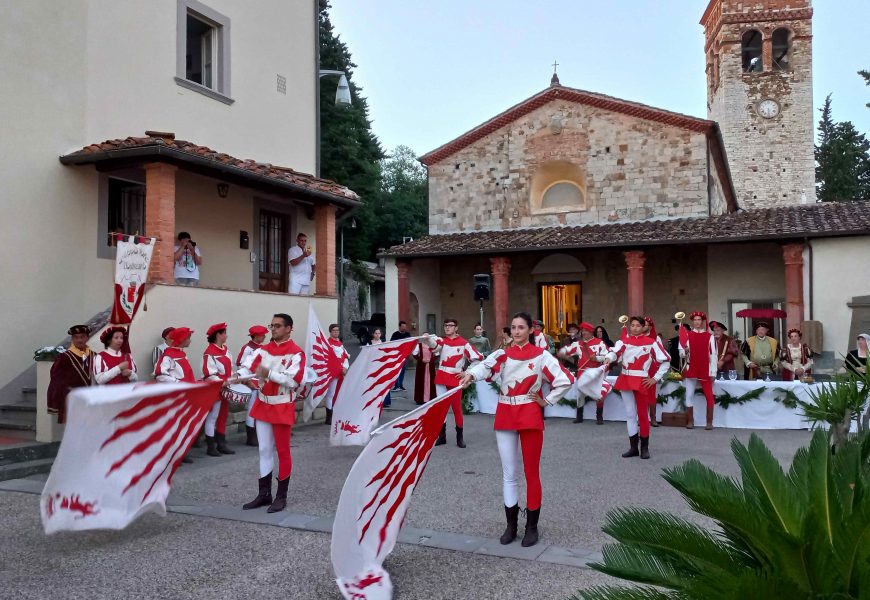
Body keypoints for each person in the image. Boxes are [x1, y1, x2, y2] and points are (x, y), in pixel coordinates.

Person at [459, 312, 573, 548]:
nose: (517, 331)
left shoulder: (542, 356)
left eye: (522, 327)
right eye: (514, 327)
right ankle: (511, 526)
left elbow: (564, 380)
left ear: (531, 330)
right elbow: (484, 366)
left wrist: (547, 400)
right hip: (506, 415)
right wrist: (470, 374)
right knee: (509, 474)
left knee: (532, 473)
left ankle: (532, 527)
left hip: (530, 415)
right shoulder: (503, 354)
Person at [243, 313, 305, 514]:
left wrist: (268, 373)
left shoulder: (297, 353)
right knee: (264, 450)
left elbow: (292, 381)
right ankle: (264, 494)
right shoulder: (264, 350)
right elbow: (248, 368)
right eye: (272, 325)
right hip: (263, 404)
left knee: (283, 451)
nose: (273, 329)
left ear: (289, 328)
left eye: (278, 326)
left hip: (281, 405)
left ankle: (281, 496)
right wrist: (234, 378)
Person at [604, 316, 670, 460]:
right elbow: (615, 351)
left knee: (643, 415)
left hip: (641, 380)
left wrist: (655, 378)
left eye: (637, 326)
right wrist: (609, 357)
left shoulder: (651, 343)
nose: (634, 328)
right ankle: (633, 447)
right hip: (626, 379)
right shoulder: (624, 341)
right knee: (629, 414)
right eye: (632, 325)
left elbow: (665, 361)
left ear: (643, 327)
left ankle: (644, 448)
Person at [421, 318, 484, 448]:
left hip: (455, 378)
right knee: (441, 408)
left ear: (456, 328)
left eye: (450, 326)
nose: (447, 328)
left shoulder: (464, 343)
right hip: (441, 378)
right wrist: (427, 339)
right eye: (445, 325)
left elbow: (477, 358)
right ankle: (442, 436)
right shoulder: (442, 341)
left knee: (456, 409)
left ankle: (459, 437)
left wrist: (467, 372)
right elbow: (434, 345)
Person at [154, 326, 197, 463]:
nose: (190, 341)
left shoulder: (181, 354)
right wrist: (178, 383)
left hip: (185, 395)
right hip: (175, 396)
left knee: (183, 424)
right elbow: (160, 375)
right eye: (188, 338)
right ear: (181, 340)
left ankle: (181, 453)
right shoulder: (168, 355)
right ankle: (170, 455)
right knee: (173, 424)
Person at [558, 322, 609, 424]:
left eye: (586, 331)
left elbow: (607, 356)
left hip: (595, 372)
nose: (584, 333)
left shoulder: (600, 343)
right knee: (580, 394)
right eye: (583, 331)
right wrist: (562, 352)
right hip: (582, 372)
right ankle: (579, 416)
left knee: (599, 394)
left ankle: (599, 417)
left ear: (591, 332)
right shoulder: (578, 344)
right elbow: (566, 350)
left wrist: (597, 358)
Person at [47, 324, 94, 424]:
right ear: (72, 339)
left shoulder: (94, 355)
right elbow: (55, 376)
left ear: (87, 337)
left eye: (82, 337)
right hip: (71, 397)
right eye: (76, 337)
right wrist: (66, 388)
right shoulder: (64, 357)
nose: (79, 340)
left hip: (90, 397)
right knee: (72, 426)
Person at [680, 311, 717, 430]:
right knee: (689, 394)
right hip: (692, 368)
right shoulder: (688, 335)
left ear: (702, 321)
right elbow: (681, 353)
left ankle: (709, 422)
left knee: (709, 395)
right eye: (695, 320)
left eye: (699, 320)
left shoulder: (710, 336)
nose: (697, 322)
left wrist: (713, 372)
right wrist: (684, 351)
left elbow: (714, 355)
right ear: (693, 322)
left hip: (705, 369)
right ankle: (690, 421)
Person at [202, 323, 235, 457]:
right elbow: (209, 374)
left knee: (223, 415)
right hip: (215, 389)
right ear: (218, 335)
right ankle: (211, 446)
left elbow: (231, 368)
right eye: (224, 333)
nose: (226, 335)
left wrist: (233, 379)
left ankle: (221, 443)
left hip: (226, 388)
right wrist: (222, 382)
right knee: (213, 417)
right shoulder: (209, 353)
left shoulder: (226, 350)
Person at [236, 325, 269, 447]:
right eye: (262, 335)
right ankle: (251, 436)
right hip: (251, 381)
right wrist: (246, 381)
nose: (265, 336)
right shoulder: (247, 348)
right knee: (251, 408)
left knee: (261, 408)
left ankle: (259, 433)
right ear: (255, 336)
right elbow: (240, 365)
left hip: (262, 381)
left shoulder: (263, 347)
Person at [638, 317, 668, 429]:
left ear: (650, 326)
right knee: (641, 394)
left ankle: (653, 418)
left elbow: (661, 354)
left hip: (651, 369)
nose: (643, 326)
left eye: (645, 325)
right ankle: (642, 418)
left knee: (651, 394)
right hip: (640, 368)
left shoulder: (656, 338)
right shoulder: (638, 337)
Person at [323, 324, 350, 425]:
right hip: (332, 372)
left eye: (337, 330)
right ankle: (329, 417)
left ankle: (336, 414)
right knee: (331, 394)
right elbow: (329, 359)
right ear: (330, 332)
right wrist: (340, 368)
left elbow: (345, 356)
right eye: (334, 331)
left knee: (338, 393)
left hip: (341, 372)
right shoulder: (327, 343)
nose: (336, 332)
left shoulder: (339, 343)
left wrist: (345, 367)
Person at [413, 338, 437, 406]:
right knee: (420, 381)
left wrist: (430, 360)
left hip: (430, 366)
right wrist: (421, 360)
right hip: (421, 366)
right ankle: (420, 399)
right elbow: (414, 354)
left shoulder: (432, 345)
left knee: (431, 381)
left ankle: (431, 398)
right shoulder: (419, 345)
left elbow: (437, 355)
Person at [389, 320, 412, 391]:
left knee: (403, 370)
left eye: (405, 326)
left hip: (404, 355)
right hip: (396, 355)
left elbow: (411, 343)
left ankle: (401, 385)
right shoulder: (395, 334)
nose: (404, 328)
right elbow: (392, 343)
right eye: (402, 326)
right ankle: (396, 385)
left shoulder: (408, 334)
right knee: (396, 371)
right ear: (399, 327)